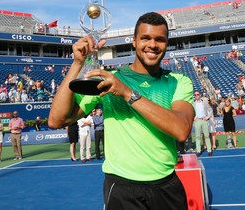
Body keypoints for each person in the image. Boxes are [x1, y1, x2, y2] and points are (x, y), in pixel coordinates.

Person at [48, 12, 194, 210]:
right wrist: (77, 63)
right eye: (145, 38)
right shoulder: (110, 79)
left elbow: (181, 129)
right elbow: (57, 120)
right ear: (134, 41)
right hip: (122, 189)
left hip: (166, 186)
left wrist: (127, 93)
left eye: (159, 39)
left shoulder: (179, 81)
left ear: (167, 43)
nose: (152, 44)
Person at [193, 91, 212, 157]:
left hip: (204, 120)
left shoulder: (204, 102)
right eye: (195, 95)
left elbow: (210, 109)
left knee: (206, 136)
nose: (196, 95)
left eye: (197, 94)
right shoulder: (193, 104)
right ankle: (198, 151)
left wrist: (208, 116)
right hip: (197, 121)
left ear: (200, 95)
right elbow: (190, 112)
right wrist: (193, 117)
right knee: (197, 137)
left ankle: (209, 150)